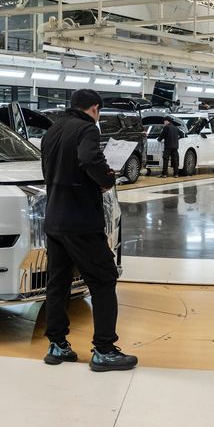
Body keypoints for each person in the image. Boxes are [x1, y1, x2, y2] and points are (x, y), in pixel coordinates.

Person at [39, 88, 137, 372]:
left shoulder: (52, 131)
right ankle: (104, 350)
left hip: (54, 218)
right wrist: (106, 179)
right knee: (104, 278)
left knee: (57, 282)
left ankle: (57, 346)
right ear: (95, 108)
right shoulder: (87, 129)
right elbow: (88, 159)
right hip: (80, 220)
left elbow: (50, 169)